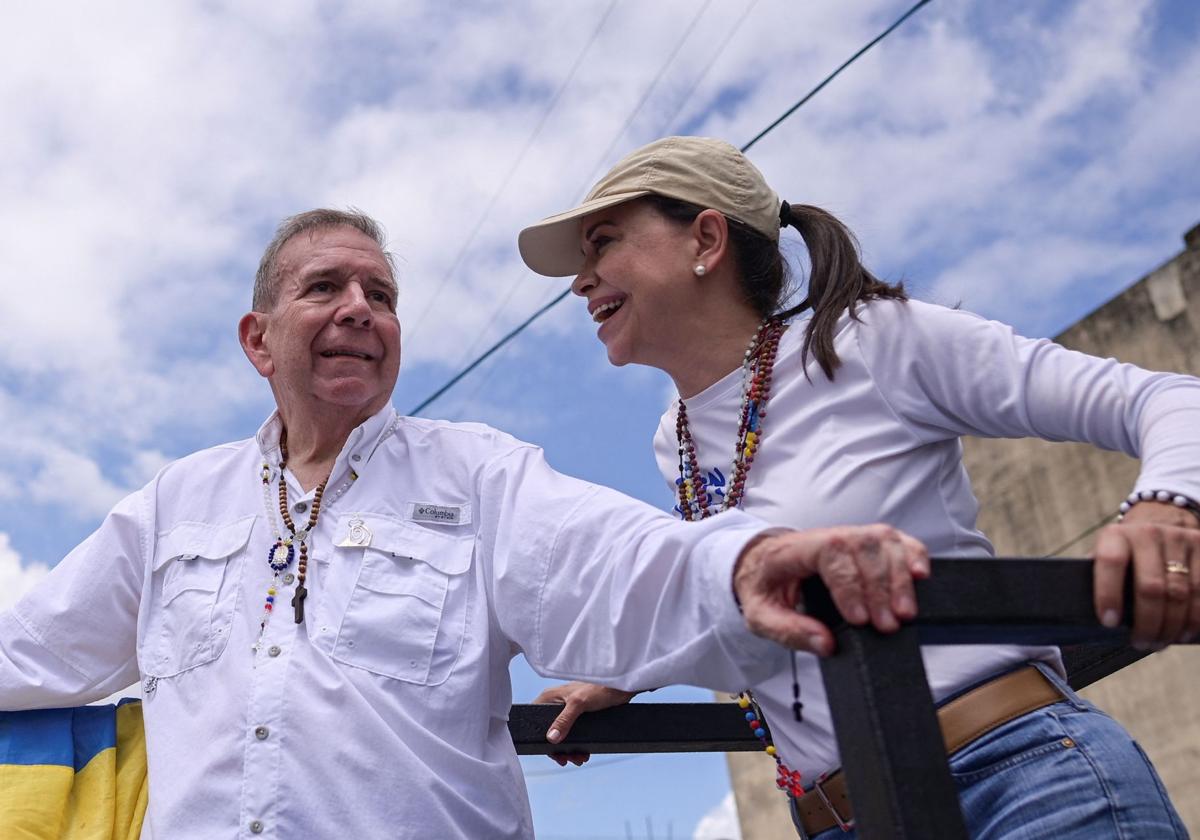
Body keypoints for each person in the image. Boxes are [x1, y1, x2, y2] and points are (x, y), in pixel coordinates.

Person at [0, 208, 934, 839]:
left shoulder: (477, 475)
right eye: (326, 288)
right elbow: (33, 653)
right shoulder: (172, 508)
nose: (360, 311)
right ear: (259, 339)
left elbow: (613, 565)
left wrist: (746, 564)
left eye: (382, 297)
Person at [517, 136, 1200, 838]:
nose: (580, 280)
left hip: (1024, 790)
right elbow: (762, 586)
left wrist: (1166, 510)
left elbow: (1174, 400)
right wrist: (634, 675)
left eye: (601, 244)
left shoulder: (871, 341)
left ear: (707, 238)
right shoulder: (677, 441)